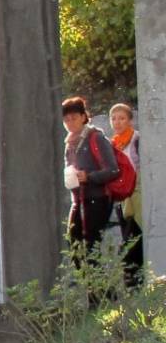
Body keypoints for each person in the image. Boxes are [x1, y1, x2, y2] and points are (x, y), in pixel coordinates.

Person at [62, 96, 121, 264]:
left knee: (90, 248)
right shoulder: (69, 143)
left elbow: (113, 170)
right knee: (74, 245)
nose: (70, 123)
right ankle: (97, 288)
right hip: (79, 199)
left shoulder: (96, 138)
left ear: (83, 117)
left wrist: (88, 176)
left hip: (99, 198)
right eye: (66, 120)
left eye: (73, 118)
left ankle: (100, 289)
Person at [109, 102, 143, 286]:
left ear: (130, 120)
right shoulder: (113, 144)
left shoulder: (137, 139)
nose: (117, 122)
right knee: (127, 235)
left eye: (122, 118)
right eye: (114, 118)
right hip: (121, 197)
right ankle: (133, 280)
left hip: (137, 194)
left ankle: (134, 280)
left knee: (135, 234)